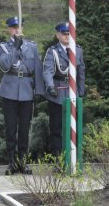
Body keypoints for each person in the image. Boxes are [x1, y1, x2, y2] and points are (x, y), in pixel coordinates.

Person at [0, 16, 44, 175]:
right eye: (14, 27)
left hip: (26, 90)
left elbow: (37, 68)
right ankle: (11, 162)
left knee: (24, 128)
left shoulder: (31, 46)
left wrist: (38, 90)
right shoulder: (3, 47)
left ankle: (23, 162)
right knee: (10, 128)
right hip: (9, 90)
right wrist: (15, 48)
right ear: (9, 29)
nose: (17, 29)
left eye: (19, 26)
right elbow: (4, 65)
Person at [43, 21, 85, 156]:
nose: (67, 36)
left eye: (69, 34)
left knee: (73, 126)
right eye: (64, 34)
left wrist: (81, 91)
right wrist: (50, 86)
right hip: (57, 92)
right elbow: (48, 70)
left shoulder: (77, 50)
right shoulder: (53, 51)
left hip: (73, 92)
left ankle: (72, 156)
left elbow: (81, 73)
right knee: (57, 128)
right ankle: (58, 158)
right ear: (58, 35)